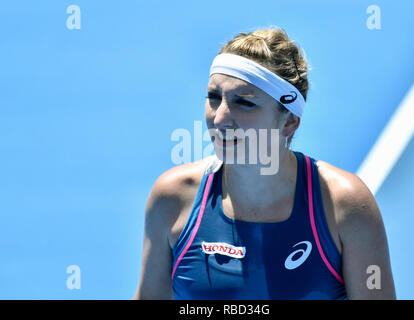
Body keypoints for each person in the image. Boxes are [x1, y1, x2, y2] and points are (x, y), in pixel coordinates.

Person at [134, 26, 396, 300]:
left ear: (289, 121)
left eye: (245, 103)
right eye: (214, 97)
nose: (220, 118)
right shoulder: (172, 198)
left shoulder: (346, 206)